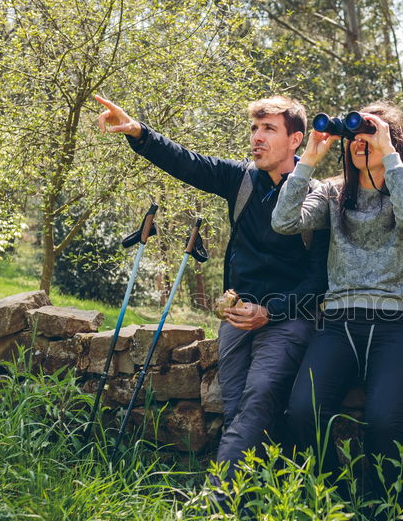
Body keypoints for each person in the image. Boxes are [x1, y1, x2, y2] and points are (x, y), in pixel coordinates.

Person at [95, 93, 328, 482]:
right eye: (254, 128)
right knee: (235, 405)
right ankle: (256, 497)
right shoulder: (241, 180)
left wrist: (271, 312)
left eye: (269, 129)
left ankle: (220, 499)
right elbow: (187, 163)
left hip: (288, 319)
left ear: (296, 140)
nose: (257, 137)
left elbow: (319, 280)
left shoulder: (316, 196)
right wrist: (138, 131)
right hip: (237, 318)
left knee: (260, 394)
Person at [271, 101, 403, 508]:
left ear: (391, 142)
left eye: (370, 137)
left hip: (398, 324)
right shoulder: (332, 193)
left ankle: (387, 519)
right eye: (355, 139)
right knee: (303, 412)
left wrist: (387, 152)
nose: (360, 145)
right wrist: (308, 157)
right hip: (340, 323)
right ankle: (334, 506)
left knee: (383, 421)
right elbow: (284, 221)